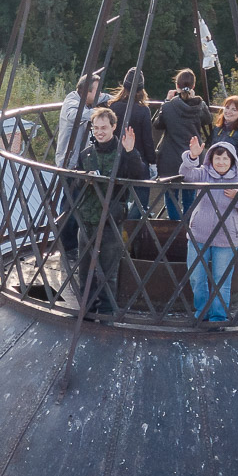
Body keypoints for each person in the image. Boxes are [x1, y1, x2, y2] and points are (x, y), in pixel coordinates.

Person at [73, 107, 149, 315]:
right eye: (96, 128)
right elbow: (76, 185)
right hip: (87, 219)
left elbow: (139, 175)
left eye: (104, 127)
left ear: (114, 127)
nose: (99, 132)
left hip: (110, 221)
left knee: (109, 271)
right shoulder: (86, 154)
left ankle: (107, 313)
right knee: (85, 269)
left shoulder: (123, 153)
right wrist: (84, 179)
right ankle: (86, 310)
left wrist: (131, 152)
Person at [181, 136, 238, 323]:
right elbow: (186, 174)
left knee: (221, 281)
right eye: (217, 158)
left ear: (232, 161)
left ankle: (218, 317)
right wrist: (192, 156)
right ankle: (202, 311)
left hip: (226, 238)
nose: (221, 162)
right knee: (196, 277)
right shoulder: (204, 173)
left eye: (225, 158)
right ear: (211, 159)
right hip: (199, 234)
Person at [55, 73, 106, 262]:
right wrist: (101, 116)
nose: (100, 94)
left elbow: (103, 97)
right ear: (86, 91)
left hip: (79, 163)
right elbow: (72, 115)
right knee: (70, 206)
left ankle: (74, 244)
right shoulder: (72, 102)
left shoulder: (86, 101)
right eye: (97, 91)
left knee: (79, 204)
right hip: (69, 165)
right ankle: (67, 247)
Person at [153, 68, 214, 220]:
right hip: (193, 157)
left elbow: (157, 124)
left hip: (170, 157)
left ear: (177, 86)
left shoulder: (168, 107)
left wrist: (166, 101)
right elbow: (208, 120)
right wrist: (199, 100)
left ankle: (175, 227)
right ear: (193, 87)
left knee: (171, 196)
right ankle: (188, 228)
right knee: (190, 195)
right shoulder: (199, 106)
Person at [108, 68, 156, 218]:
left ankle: (119, 229)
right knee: (140, 201)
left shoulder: (113, 107)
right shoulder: (143, 110)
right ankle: (131, 229)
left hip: (118, 159)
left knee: (117, 198)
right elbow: (147, 140)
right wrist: (152, 162)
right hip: (138, 159)